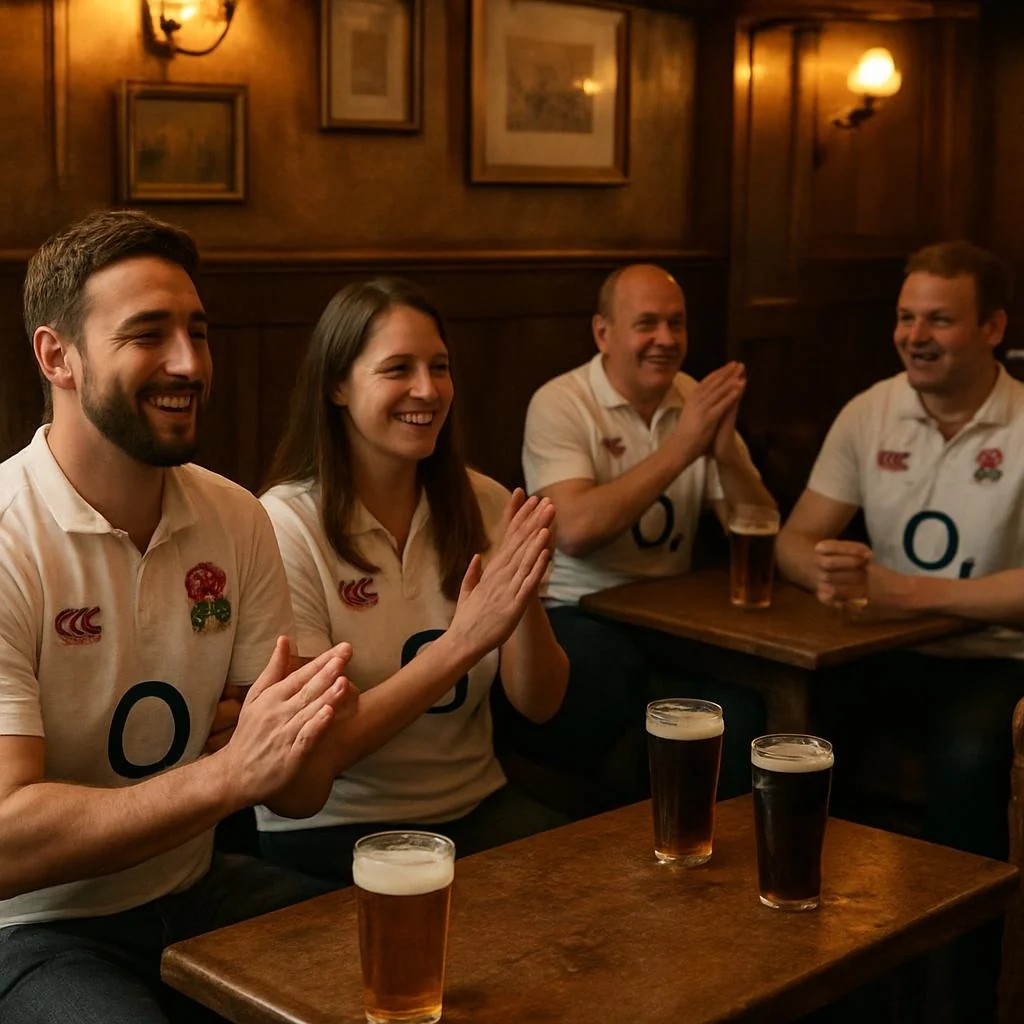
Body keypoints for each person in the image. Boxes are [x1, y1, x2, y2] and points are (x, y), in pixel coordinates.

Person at [0, 209, 368, 1024]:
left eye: (198, 333)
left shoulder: (235, 516)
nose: (188, 362)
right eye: (148, 334)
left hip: (197, 887)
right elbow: (6, 840)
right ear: (56, 356)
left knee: (408, 970)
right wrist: (232, 773)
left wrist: (307, 724)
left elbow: (302, 792)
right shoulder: (6, 535)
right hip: (33, 927)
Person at [255, 277, 569, 884]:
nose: (426, 390)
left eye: (440, 367)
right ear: (337, 385)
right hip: (334, 829)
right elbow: (315, 751)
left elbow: (541, 703)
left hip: (475, 807)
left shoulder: (483, 501)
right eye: (398, 368)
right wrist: (464, 642)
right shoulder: (283, 522)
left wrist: (518, 594)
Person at [776, 239, 1024, 867]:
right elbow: (793, 542)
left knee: (968, 759)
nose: (915, 335)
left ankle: (957, 956)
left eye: (939, 319)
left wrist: (900, 591)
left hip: (995, 659)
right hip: (876, 649)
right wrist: (827, 573)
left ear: (993, 327)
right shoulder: (871, 410)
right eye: (905, 316)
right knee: (786, 738)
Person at [514, 263, 773, 805]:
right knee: (615, 677)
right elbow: (576, 530)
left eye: (676, 324)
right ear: (603, 333)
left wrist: (725, 453)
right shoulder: (561, 402)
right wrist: (683, 446)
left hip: (672, 621)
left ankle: (713, 862)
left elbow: (755, 524)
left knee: (742, 707)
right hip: (576, 609)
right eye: (647, 324)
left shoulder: (694, 398)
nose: (665, 340)